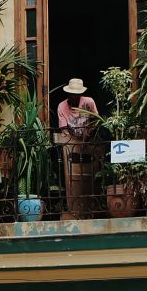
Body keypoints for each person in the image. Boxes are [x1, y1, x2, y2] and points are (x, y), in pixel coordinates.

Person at [55, 78, 99, 217]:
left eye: (76, 94)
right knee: (70, 173)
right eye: (72, 94)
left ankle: (92, 205)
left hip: (89, 142)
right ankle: (72, 205)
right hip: (71, 142)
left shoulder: (88, 102)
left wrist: (89, 134)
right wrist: (73, 140)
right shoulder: (62, 106)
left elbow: (96, 120)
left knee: (91, 173)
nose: (74, 97)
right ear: (68, 94)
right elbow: (63, 128)